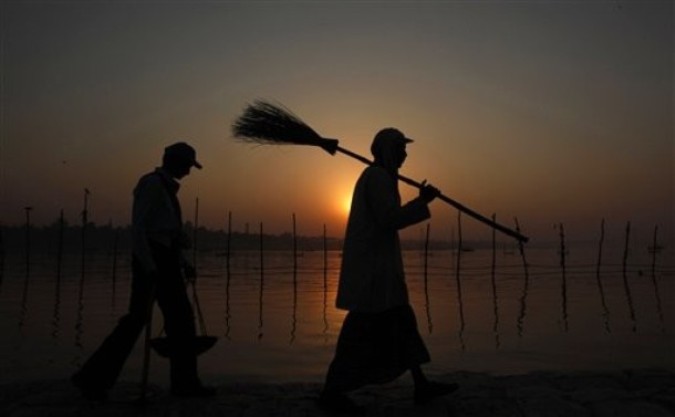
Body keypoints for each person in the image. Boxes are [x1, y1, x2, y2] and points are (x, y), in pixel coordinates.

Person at [319, 128, 458, 413]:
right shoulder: (378, 178)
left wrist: (420, 201)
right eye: (400, 149)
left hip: (379, 271)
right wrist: (422, 202)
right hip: (372, 273)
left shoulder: (381, 178)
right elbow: (388, 220)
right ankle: (332, 391)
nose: (405, 154)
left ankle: (421, 385)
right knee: (359, 333)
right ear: (388, 151)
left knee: (402, 322)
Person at [71, 142, 215, 400]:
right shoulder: (152, 185)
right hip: (152, 261)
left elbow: (165, 235)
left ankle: (94, 379)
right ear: (174, 161)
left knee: (171, 320)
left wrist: (183, 261)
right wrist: (150, 268)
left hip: (165, 259)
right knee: (161, 320)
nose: (189, 172)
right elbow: (139, 231)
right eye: (187, 166)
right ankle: (95, 379)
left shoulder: (168, 190)